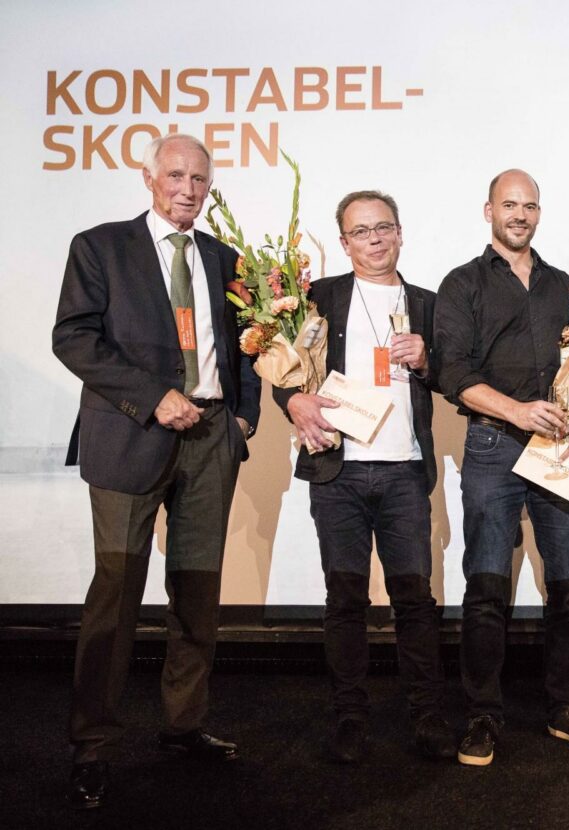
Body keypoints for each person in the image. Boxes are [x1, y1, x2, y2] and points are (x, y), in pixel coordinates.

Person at [52, 134, 262, 810]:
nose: (188, 188)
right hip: (130, 436)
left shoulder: (227, 259)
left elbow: (251, 345)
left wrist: (244, 418)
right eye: (175, 174)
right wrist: (150, 395)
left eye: (200, 178)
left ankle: (185, 724)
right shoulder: (100, 246)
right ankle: (93, 746)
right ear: (147, 177)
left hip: (211, 442)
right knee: (114, 597)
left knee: (197, 595)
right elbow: (74, 337)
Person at [433, 169, 569, 766]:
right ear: (488, 211)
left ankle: (565, 708)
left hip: (562, 448)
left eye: (529, 205)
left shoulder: (565, 286)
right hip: (492, 447)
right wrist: (517, 411)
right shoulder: (462, 285)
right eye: (509, 205)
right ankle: (483, 714)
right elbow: (451, 373)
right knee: (486, 589)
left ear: (540, 212)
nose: (520, 215)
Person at [274, 190, 456, 764]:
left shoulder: (427, 303)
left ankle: (426, 714)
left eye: (384, 227)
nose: (374, 239)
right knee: (345, 598)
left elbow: (456, 376)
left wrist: (427, 359)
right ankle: (350, 716)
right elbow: (279, 363)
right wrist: (290, 401)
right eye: (361, 231)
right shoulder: (317, 298)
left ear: (400, 233)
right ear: (344, 241)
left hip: (404, 472)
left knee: (414, 600)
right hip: (338, 471)